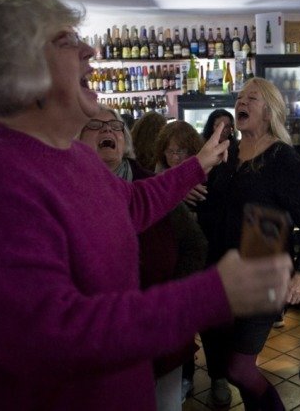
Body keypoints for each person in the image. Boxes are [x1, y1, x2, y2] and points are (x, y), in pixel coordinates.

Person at [0, 0, 292, 410]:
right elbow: (52, 336)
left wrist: (198, 164)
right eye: (67, 41)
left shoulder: (71, 154)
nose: (90, 49)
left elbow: (130, 204)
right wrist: (211, 293)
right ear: (20, 67)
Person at [196, 77, 300, 410]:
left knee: (240, 368)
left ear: (269, 110)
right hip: (222, 271)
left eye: (251, 98)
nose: (241, 102)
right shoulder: (228, 152)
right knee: (225, 361)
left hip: (263, 273)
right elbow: (214, 207)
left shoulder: (282, 158)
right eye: (239, 97)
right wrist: (194, 191)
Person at [79, 107, 206, 411]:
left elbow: (195, 243)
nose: (108, 131)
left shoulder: (153, 184)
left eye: (115, 127)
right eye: (95, 125)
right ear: (76, 140)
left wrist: (172, 296)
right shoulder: (66, 189)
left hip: (159, 331)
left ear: (126, 141)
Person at [150, 119, 212, 404]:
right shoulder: (153, 178)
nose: (176, 158)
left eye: (183, 152)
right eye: (171, 151)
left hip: (194, 263)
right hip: (167, 264)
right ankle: (183, 378)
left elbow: (204, 232)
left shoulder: (203, 177)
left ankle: (199, 377)